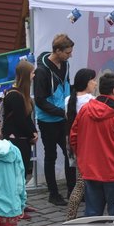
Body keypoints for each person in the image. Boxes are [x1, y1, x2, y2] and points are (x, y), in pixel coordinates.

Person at [69, 72, 114, 217]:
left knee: (92, 214)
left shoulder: (85, 110)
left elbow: (74, 138)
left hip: (90, 170)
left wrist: (82, 160)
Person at [34, 34, 75, 206]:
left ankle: (73, 191)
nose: (70, 55)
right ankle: (53, 193)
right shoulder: (41, 71)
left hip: (63, 117)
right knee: (51, 155)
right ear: (57, 51)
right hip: (48, 120)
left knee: (69, 154)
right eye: (67, 52)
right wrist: (61, 112)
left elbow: (67, 86)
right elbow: (40, 100)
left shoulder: (65, 64)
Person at [63, 68, 97, 221]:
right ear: (86, 82)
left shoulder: (68, 100)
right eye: (93, 80)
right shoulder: (91, 101)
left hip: (75, 144)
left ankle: (70, 216)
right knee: (84, 184)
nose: (95, 83)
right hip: (89, 145)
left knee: (80, 182)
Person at [1, 59, 39, 180]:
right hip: (16, 141)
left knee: (20, 174)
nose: (34, 76)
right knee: (17, 174)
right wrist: (32, 134)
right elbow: (20, 120)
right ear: (26, 75)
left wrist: (34, 132)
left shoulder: (21, 94)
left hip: (22, 139)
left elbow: (26, 117)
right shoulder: (15, 96)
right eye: (32, 73)